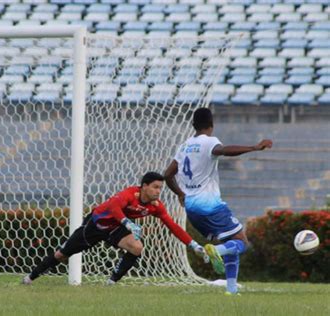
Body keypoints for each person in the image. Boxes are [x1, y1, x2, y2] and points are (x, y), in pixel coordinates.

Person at [22, 171, 207, 285]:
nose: (158, 192)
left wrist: (193, 245)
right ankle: (30, 277)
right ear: (144, 186)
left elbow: (173, 226)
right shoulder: (128, 194)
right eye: (155, 187)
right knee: (62, 255)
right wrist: (127, 223)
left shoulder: (155, 206)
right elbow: (113, 208)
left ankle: (111, 282)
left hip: (116, 228)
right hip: (95, 225)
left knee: (137, 247)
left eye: (161, 188)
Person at [164, 108, 272, 295]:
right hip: (210, 205)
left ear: (193, 125)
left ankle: (231, 290)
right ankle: (216, 251)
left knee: (231, 244)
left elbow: (167, 175)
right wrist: (254, 148)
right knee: (241, 242)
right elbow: (222, 150)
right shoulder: (209, 141)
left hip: (191, 208)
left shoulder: (185, 146)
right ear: (211, 124)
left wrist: (180, 194)